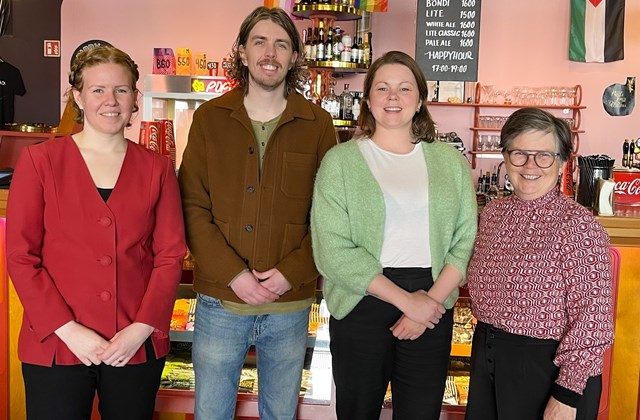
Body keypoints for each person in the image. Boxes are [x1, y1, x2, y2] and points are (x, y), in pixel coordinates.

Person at [6, 45, 187, 419]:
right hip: (56, 343)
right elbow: (21, 257)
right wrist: (68, 329)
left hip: (134, 344)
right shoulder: (40, 162)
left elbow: (170, 255)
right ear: (78, 97)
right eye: (98, 90)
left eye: (121, 90)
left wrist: (142, 327)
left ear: (135, 98)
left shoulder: (157, 168)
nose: (111, 100)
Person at [178, 6, 337, 420]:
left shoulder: (318, 124)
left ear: (294, 57)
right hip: (220, 302)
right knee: (211, 413)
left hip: (291, 303)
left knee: (280, 414)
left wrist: (291, 273)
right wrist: (234, 274)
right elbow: (193, 206)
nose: (271, 53)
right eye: (260, 42)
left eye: (282, 44)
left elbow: (330, 216)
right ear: (243, 53)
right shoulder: (209, 119)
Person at [310, 50, 478, 420]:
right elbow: (332, 250)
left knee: (421, 412)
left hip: (432, 299)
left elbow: (465, 240)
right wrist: (406, 301)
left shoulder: (449, 162)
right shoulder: (340, 162)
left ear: (419, 100)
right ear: (368, 99)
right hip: (362, 300)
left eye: (404, 88)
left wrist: (426, 305)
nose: (393, 97)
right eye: (382, 88)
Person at [465, 107, 613, 420]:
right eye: (519, 153)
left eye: (544, 155)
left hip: (550, 372)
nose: (530, 165)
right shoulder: (492, 215)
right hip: (488, 357)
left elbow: (593, 321)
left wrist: (566, 394)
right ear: (505, 157)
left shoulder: (579, 226)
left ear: (562, 162)